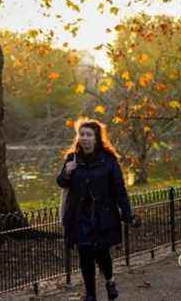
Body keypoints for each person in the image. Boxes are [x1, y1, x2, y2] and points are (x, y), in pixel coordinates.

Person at [56, 119, 136, 301]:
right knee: (84, 254)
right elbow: (61, 183)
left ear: (97, 138)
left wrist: (127, 213)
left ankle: (110, 280)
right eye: (81, 134)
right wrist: (67, 172)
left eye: (88, 135)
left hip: (103, 215)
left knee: (101, 253)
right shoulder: (72, 158)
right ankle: (90, 294)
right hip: (79, 216)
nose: (84, 138)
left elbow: (119, 189)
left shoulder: (108, 160)